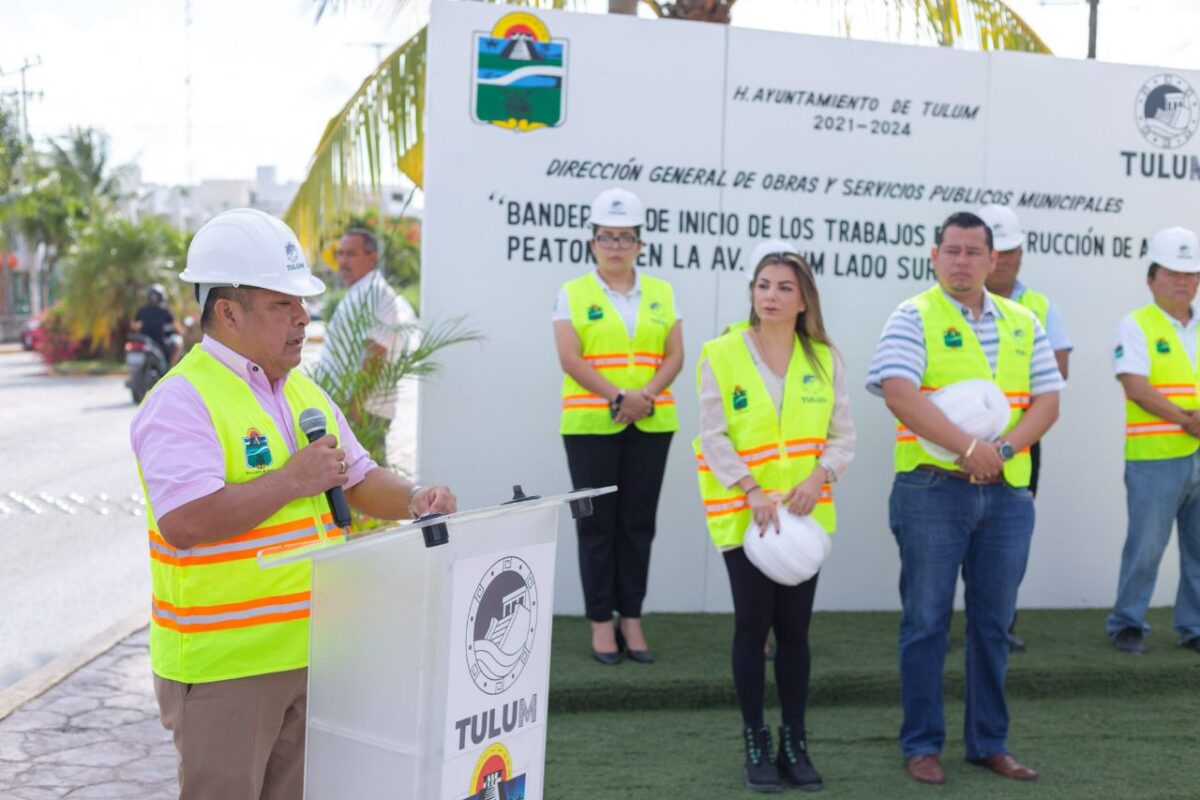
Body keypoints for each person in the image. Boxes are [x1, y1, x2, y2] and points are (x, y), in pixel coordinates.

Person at [130, 208, 456, 799]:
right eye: (283, 304)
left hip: (313, 652)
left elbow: (356, 477)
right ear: (228, 311)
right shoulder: (181, 400)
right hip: (226, 667)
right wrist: (290, 481)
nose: (303, 317)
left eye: (301, 303)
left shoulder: (302, 390)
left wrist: (414, 498)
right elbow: (185, 522)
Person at [866, 211, 1063, 786]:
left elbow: (1048, 402)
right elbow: (899, 393)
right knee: (926, 622)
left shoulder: (1025, 320)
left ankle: (989, 744)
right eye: (951, 251)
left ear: (993, 259)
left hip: (1006, 495)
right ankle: (922, 744)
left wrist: (999, 452)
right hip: (931, 489)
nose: (961, 262)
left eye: (974, 252)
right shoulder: (912, 315)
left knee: (993, 624)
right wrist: (969, 447)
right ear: (934, 256)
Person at [695, 242, 854, 792]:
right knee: (751, 627)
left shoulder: (825, 358)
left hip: (802, 524)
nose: (772, 296)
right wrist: (751, 489)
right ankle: (755, 742)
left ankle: (794, 742)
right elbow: (712, 435)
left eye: (785, 287)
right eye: (763, 285)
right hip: (746, 518)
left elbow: (842, 437)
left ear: (804, 299)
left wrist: (819, 477)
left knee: (794, 633)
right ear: (752, 293)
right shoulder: (721, 353)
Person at [552, 187, 683, 665]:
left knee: (638, 525)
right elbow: (570, 358)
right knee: (596, 527)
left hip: (652, 423)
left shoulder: (663, 292)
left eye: (625, 237)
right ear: (592, 242)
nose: (615, 245)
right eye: (606, 236)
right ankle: (600, 623)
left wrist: (642, 397)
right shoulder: (572, 293)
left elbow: (675, 355)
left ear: (640, 244)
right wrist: (618, 397)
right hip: (589, 425)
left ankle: (631, 618)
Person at [978, 204, 1074, 652]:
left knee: (1007, 541)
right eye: (994, 251)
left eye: (1010, 251)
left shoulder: (1039, 306)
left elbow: (1058, 373)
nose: (1002, 260)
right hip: (951, 444)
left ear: (1020, 254)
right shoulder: (941, 304)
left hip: (1020, 444)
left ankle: (1001, 623)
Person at [1107, 226, 1200, 656]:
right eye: (1172, 273)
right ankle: (1127, 623)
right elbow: (1136, 386)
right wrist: (1187, 420)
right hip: (1155, 459)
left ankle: (1194, 626)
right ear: (1151, 279)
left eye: (1191, 273)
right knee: (1145, 549)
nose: (1183, 281)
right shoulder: (1136, 325)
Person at [314, 228, 418, 466]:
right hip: (352, 407)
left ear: (372, 258)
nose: (343, 261)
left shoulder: (375, 293)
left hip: (364, 411)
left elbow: (376, 353)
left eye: (351, 254)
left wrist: (355, 409)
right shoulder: (361, 291)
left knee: (369, 481)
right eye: (340, 254)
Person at [133, 283, 182, 367]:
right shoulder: (165, 310)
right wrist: (181, 331)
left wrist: (141, 327)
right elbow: (175, 325)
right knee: (179, 344)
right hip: (160, 341)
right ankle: (170, 369)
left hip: (145, 341)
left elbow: (133, 324)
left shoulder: (143, 309)